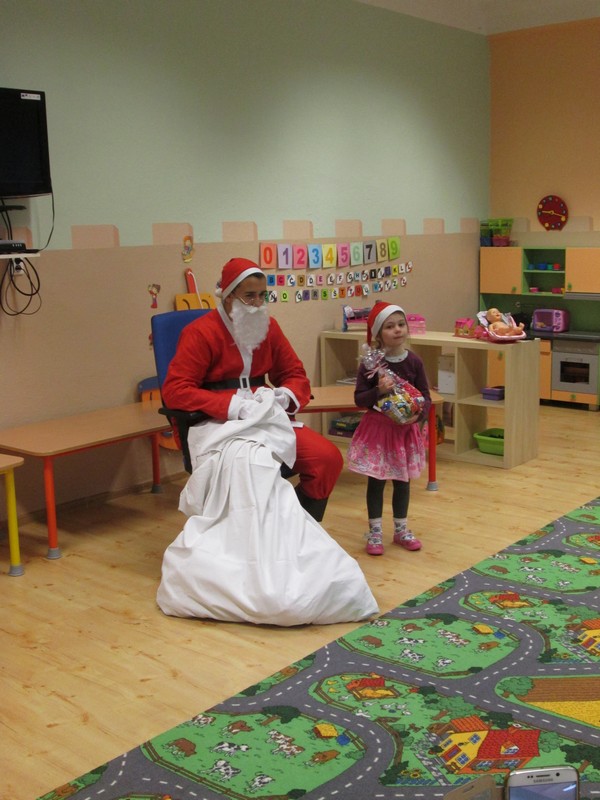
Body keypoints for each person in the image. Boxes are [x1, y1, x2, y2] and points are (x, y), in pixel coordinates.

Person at [161, 257, 343, 522]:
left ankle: (297, 528)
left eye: (262, 296)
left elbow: (294, 373)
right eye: (249, 296)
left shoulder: (269, 327)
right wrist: (233, 405)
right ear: (227, 296)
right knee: (252, 469)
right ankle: (248, 537)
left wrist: (286, 395)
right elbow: (176, 390)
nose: (258, 303)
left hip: (264, 417)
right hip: (217, 423)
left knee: (326, 458)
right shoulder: (199, 333)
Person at [347, 302, 431, 556]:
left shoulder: (414, 362)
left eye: (401, 324)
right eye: (390, 326)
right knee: (376, 481)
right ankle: (374, 531)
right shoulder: (371, 364)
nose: (397, 330)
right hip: (378, 432)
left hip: (404, 432)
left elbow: (425, 396)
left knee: (402, 481)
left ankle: (401, 530)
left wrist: (417, 417)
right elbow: (360, 399)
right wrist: (378, 390)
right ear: (378, 334)